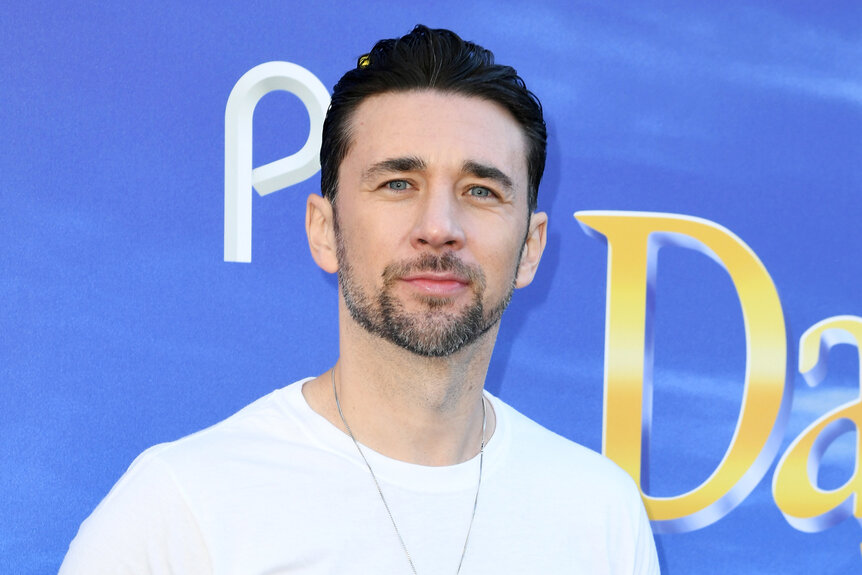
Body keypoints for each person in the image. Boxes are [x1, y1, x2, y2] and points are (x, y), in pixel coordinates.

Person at [60, 25, 660, 574]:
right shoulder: (180, 509)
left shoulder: (598, 513)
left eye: (480, 190)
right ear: (325, 230)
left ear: (531, 247)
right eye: (398, 183)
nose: (439, 225)